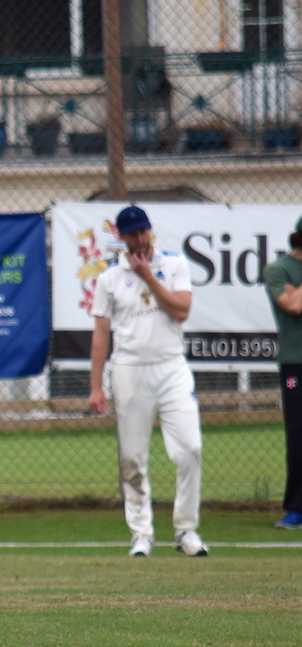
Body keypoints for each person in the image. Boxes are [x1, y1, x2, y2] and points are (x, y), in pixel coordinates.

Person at [88, 205, 209, 558]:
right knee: (132, 458)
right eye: (133, 234)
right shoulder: (108, 279)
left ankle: (186, 529)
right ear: (122, 238)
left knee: (190, 449)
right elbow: (100, 332)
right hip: (129, 370)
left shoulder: (173, 265)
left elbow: (181, 310)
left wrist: (149, 277)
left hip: (171, 366)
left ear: (150, 232)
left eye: (144, 232)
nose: (140, 239)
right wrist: (96, 385)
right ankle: (141, 533)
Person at [262, 217, 302, 528]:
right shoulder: (279, 270)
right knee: (298, 436)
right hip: (296, 362)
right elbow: (292, 305)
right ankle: (296, 509)